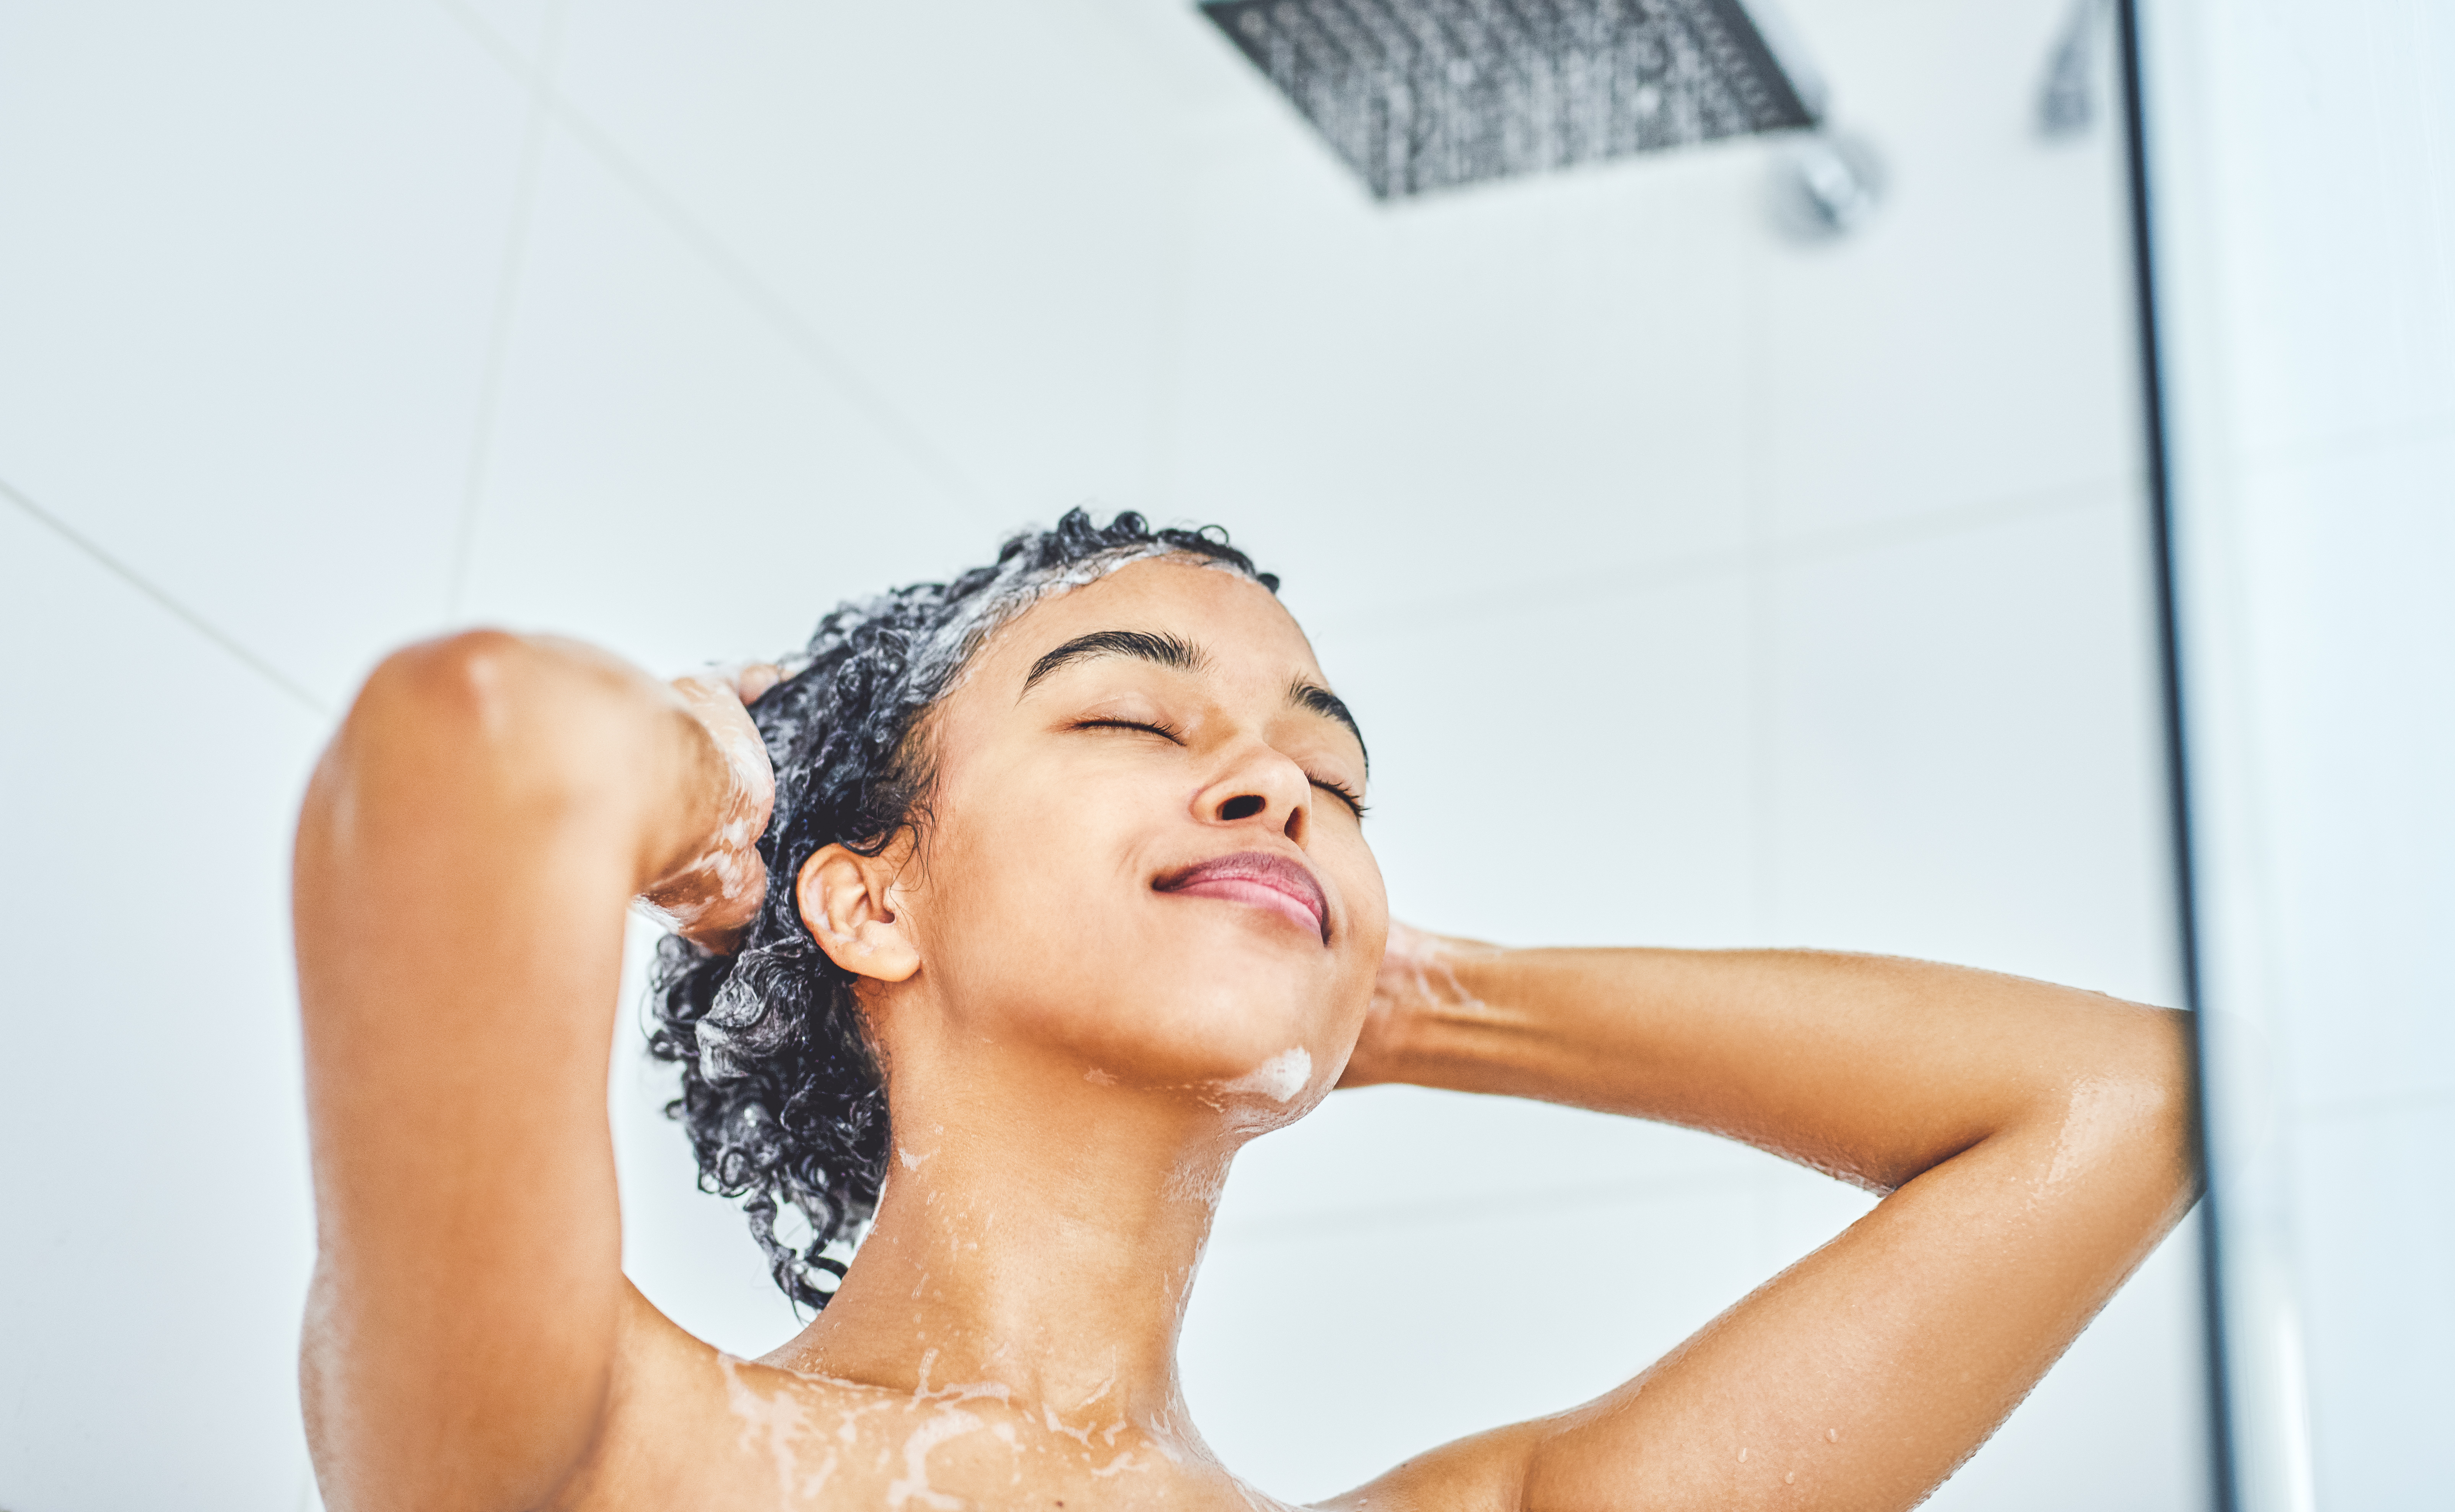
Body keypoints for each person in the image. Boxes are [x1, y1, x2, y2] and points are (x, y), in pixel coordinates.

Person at [293, 509, 2198, 1512]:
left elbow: (2121, 1102)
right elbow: (475, 741)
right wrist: (723, 792)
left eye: (1336, 785)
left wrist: (1406, 988)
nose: (1281, 790)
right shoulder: (599, 1452)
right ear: (873, 892)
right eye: (1132, 717)